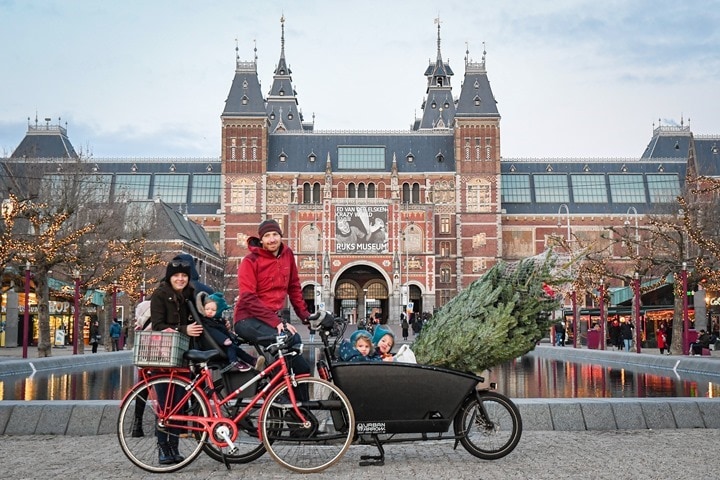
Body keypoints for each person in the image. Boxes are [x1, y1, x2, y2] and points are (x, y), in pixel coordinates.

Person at [233, 219, 312, 399]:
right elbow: (248, 298)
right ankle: (278, 399)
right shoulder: (250, 261)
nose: (271, 239)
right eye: (267, 236)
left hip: (269, 318)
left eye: (274, 235)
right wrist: (276, 321)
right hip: (247, 319)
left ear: (280, 236)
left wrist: (305, 317)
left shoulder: (287, 255)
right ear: (261, 240)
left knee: (301, 367)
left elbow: (293, 287)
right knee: (288, 339)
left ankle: (301, 413)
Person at [150, 257, 204, 465]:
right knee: (165, 406)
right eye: (177, 276)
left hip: (182, 357)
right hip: (164, 357)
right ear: (170, 277)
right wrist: (185, 330)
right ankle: (163, 448)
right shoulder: (160, 295)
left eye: (184, 276)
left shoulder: (189, 295)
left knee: (178, 405)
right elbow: (158, 325)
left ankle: (174, 448)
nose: (180, 279)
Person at [198, 291, 257, 371]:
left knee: (237, 349)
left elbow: (223, 331)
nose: (210, 311)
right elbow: (213, 332)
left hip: (220, 343)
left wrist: (233, 337)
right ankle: (234, 362)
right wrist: (224, 340)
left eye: (213, 310)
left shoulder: (217, 320)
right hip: (215, 345)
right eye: (207, 309)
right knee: (231, 347)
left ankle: (252, 361)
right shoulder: (206, 322)